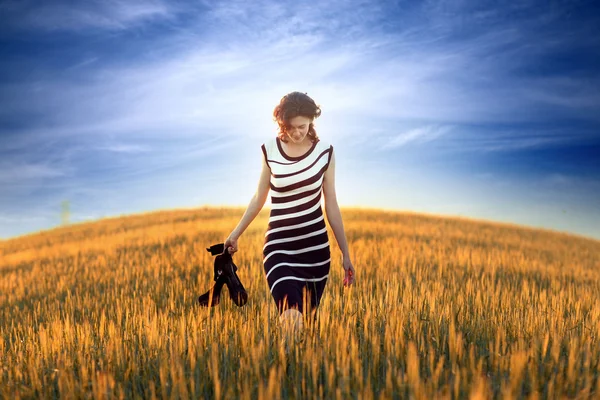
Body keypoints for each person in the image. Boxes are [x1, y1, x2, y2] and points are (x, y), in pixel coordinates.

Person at [224, 91, 355, 353]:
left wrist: (346, 254)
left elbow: (331, 204)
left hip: (315, 253)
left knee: (308, 325)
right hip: (279, 248)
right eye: (292, 127)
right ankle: (283, 369)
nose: (297, 133)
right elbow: (259, 197)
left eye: (303, 127)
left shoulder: (325, 153)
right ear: (283, 124)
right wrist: (235, 234)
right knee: (290, 315)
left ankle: (297, 378)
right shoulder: (269, 150)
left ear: (311, 122)